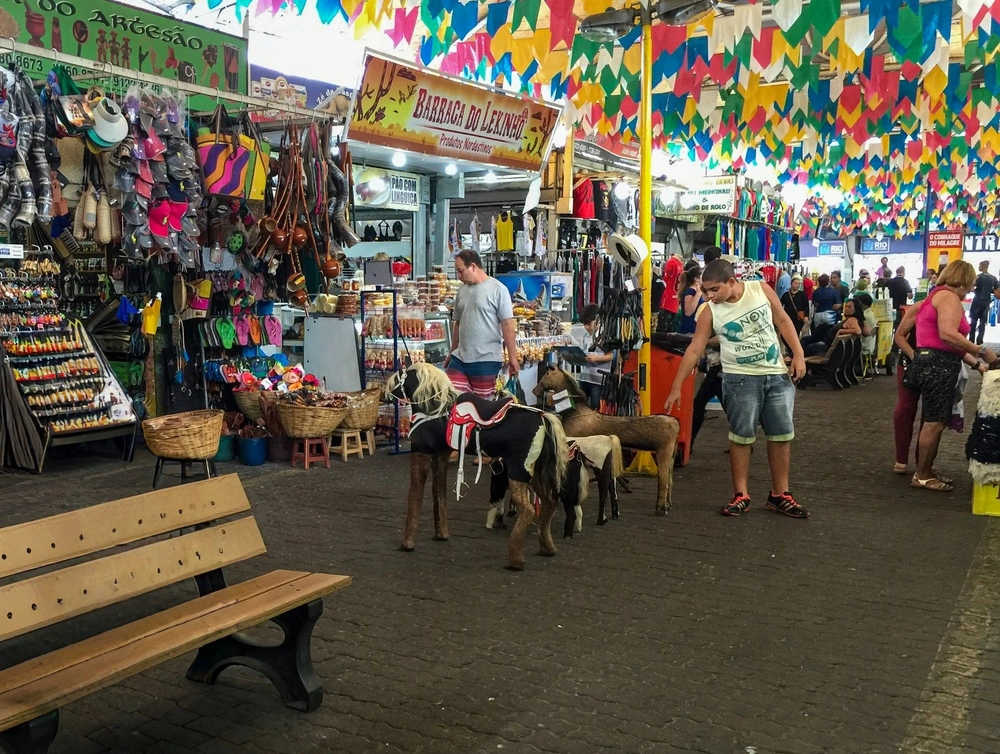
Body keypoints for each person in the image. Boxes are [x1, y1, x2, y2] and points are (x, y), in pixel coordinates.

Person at [665, 259, 809, 518]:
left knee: (781, 435)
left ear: (732, 282)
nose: (709, 295)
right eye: (705, 290)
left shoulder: (761, 289)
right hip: (738, 379)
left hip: (776, 375)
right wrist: (677, 385)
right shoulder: (709, 311)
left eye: (714, 289)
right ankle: (740, 494)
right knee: (741, 436)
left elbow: (784, 321)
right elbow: (695, 348)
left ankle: (780, 494)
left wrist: (798, 354)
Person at [907, 260, 997, 491]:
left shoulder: (936, 295)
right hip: (938, 365)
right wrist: (981, 351)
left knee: (934, 419)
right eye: (972, 282)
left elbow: (945, 340)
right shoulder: (948, 298)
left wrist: (976, 363)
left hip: (928, 361)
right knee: (934, 423)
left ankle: (926, 469)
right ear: (965, 278)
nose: (973, 287)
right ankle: (922, 474)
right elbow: (947, 334)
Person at [444, 250, 519, 398]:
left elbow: (507, 325)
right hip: (459, 359)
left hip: (486, 360)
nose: (458, 276)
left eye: (460, 271)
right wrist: (452, 352)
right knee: (453, 400)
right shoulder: (462, 290)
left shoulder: (498, 290)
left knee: (482, 408)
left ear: (473, 266)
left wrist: (513, 357)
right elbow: (458, 323)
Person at [800, 298, 866, 356]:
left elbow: (858, 331)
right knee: (809, 338)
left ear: (856, 309)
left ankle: (793, 359)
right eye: (846, 306)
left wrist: (842, 331)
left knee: (806, 344)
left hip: (830, 348)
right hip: (834, 346)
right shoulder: (858, 320)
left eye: (849, 307)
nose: (846, 309)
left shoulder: (852, 320)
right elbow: (868, 332)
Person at [577, 304, 612, 409]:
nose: (586, 327)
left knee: (595, 410)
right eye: (584, 324)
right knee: (580, 406)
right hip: (584, 378)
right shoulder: (586, 336)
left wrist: (596, 358)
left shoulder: (606, 336)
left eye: (588, 324)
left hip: (598, 381)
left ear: (598, 320)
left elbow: (611, 356)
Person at [970, 261, 1000, 345]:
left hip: (977, 302)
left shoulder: (978, 277)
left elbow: (971, 287)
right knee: (982, 323)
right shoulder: (993, 278)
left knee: (973, 322)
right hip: (986, 303)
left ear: (983, 266)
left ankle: (971, 341)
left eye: (979, 265)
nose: (979, 267)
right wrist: (990, 290)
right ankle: (979, 341)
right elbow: (998, 292)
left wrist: (975, 290)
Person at [658, 253, 685, 333]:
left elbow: (666, 279)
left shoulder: (671, 263)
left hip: (668, 299)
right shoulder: (680, 265)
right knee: (671, 328)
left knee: (662, 330)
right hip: (675, 298)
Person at [676, 268, 703, 334]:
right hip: (689, 329)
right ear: (696, 279)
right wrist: (699, 292)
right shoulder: (690, 291)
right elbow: (688, 312)